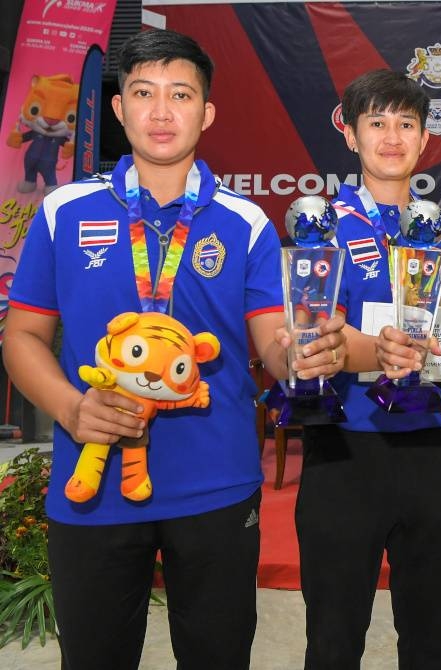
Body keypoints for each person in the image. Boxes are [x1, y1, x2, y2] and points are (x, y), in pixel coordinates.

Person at [2, 29, 346, 669]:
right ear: (118, 109)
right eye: (144, 93)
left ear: (207, 112)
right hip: (94, 482)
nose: (162, 112)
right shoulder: (64, 211)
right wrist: (71, 409)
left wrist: (304, 354)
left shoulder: (244, 223)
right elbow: (22, 336)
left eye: (181, 94)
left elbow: (271, 341)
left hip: (217, 483)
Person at [293, 69, 441, 669]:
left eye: (406, 123)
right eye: (376, 122)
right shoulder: (321, 223)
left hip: (433, 448)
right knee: (333, 638)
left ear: (426, 139)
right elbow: (309, 326)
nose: (391, 136)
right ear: (350, 135)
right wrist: (374, 347)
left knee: (431, 643)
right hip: (347, 448)